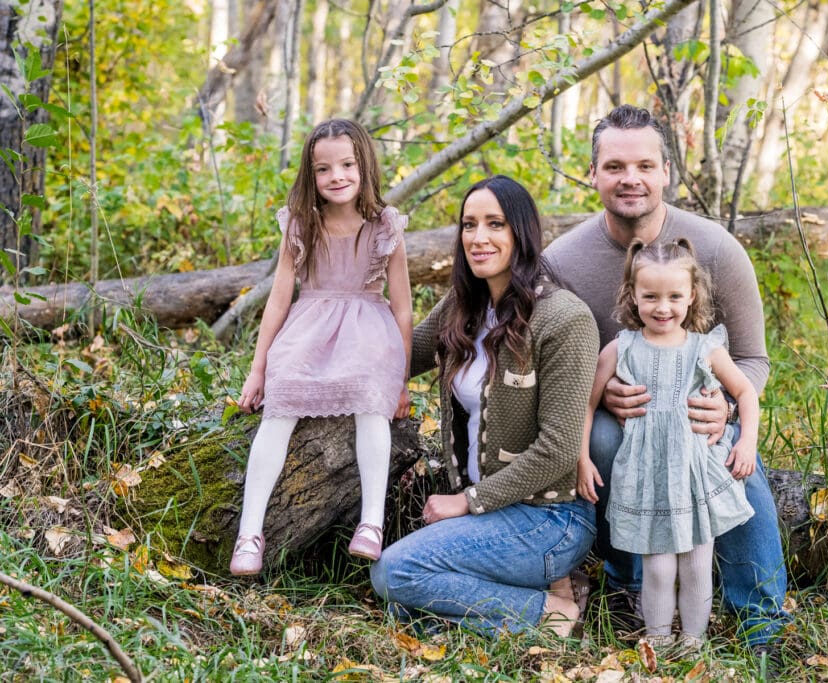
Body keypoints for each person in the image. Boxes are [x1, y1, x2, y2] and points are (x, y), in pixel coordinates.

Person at [544, 104, 790, 650]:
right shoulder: (561, 261)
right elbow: (549, 365)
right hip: (620, 422)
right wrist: (602, 392)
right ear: (593, 173)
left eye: (644, 166)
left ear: (666, 172)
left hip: (697, 415)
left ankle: (761, 618)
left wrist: (726, 407)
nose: (630, 178)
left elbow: (753, 359)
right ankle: (628, 586)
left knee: (732, 458)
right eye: (614, 166)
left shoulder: (716, 250)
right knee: (602, 439)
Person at [370, 175, 599, 637]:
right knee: (405, 609)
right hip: (491, 516)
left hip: (548, 519)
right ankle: (534, 598)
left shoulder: (564, 319)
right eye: (469, 224)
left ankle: (553, 615)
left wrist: (467, 501)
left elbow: (558, 450)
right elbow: (401, 355)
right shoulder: (464, 304)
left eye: (495, 224)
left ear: (522, 232)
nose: (478, 238)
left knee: (395, 573)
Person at [229, 119, 413, 575]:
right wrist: (258, 370)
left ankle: (371, 523)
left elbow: (403, 308)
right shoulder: (301, 225)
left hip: (368, 331)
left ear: (363, 165)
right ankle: (249, 533)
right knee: (281, 402)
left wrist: (401, 380)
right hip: (308, 329)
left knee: (370, 401)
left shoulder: (385, 226)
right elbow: (278, 300)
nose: (337, 176)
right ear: (310, 175)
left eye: (347, 165)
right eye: (324, 169)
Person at [579, 238, 759, 650]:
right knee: (658, 569)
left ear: (692, 295)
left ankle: (693, 642)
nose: (663, 308)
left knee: (696, 565)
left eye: (675, 296)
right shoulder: (622, 348)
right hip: (647, 475)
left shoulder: (704, 348)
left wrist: (746, 442)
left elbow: (745, 392)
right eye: (651, 297)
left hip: (694, 473)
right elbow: (587, 404)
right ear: (632, 295)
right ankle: (657, 643)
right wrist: (582, 458)